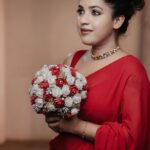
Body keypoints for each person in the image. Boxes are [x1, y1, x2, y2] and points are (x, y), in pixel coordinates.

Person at [45, 0, 150, 149]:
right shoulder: (71, 60)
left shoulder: (132, 71)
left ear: (117, 20)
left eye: (95, 12)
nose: (83, 20)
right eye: (81, 11)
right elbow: (61, 118)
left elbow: (133, 139)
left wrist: (76, 126)